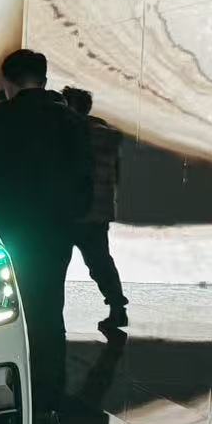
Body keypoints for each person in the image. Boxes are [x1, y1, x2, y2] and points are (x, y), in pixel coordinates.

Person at [0, 50, 93, 424]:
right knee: (49, 314)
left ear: (7, 82)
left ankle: (0, 400)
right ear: (44, 78)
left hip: (7, 232)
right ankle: (45, 408)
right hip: (54, 232)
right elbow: (85, 182)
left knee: (2, 311)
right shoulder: (71, 122)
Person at [61, 87, 129, 332]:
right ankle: (117, 308)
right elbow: (115, 176)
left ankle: (52, 318)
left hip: (66, 210)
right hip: (98, 211)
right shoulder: (106, 137)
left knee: (55, 267)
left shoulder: (68, 135)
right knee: (100, 262)